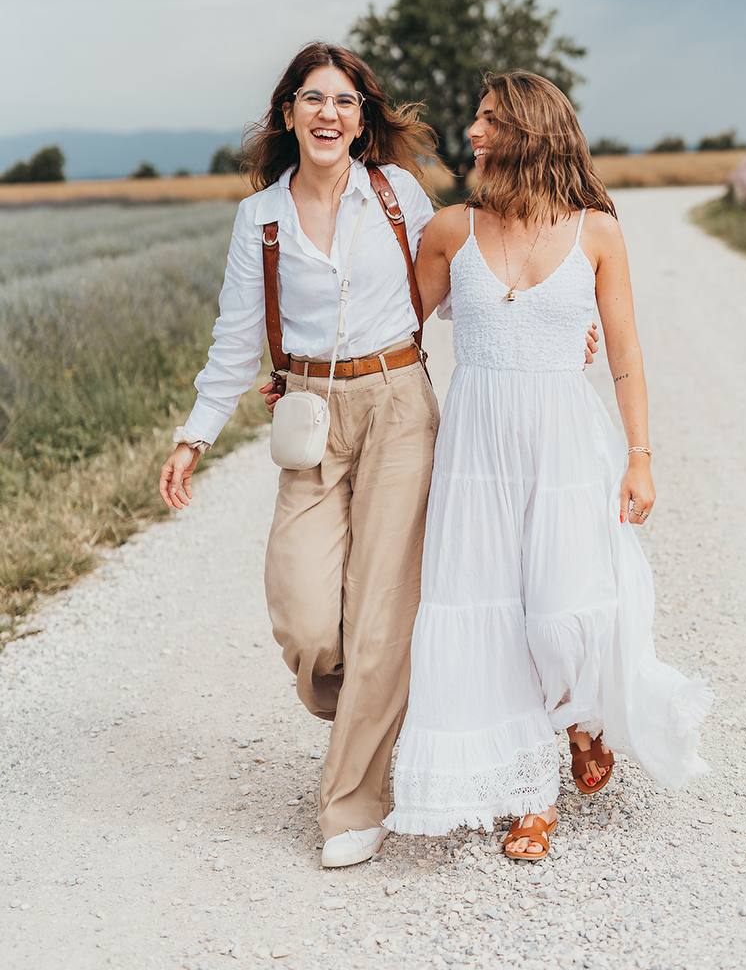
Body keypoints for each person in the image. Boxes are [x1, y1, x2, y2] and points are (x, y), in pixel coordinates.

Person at [384, 71, 712, 861]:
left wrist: (639, 458)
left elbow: (626, 357)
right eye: (476, 117)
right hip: (476, 445)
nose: (472, 131)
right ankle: (531, 796)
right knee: (487, 613)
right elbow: (395, 333)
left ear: (530, 132)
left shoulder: (595, 231)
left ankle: (580, 719)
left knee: (558, 611)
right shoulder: (450, 230)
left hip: (566, 443)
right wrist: (300, 372)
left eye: (488, 119)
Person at [159, 42, 441, 868]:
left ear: (363, 121)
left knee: (383, 610)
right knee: (309, 614)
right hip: (311, 411)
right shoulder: (262, 217)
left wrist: (553, 320)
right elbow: (236, 339)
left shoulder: (397, 197)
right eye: (312, 99)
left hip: (398, 404)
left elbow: (457, 288)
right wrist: (195, 433)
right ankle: (366, 704)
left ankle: (352, 803)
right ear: (288, 114)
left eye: (345, 101)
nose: (329, 113)